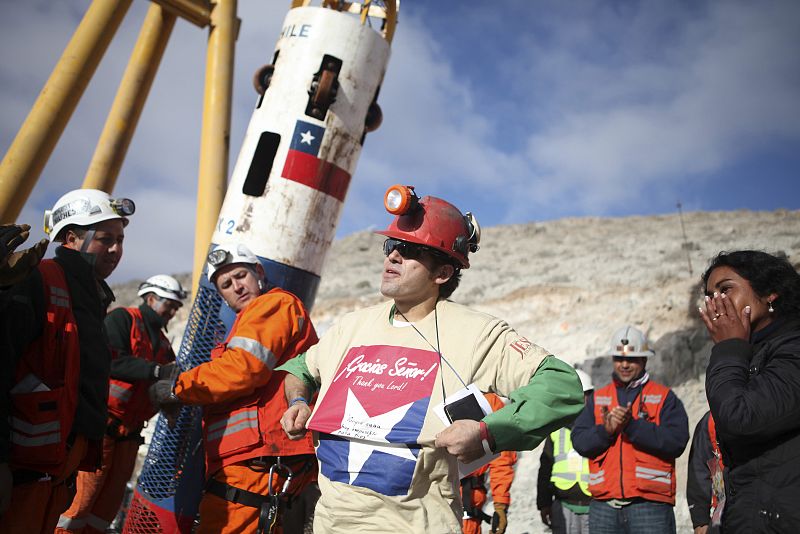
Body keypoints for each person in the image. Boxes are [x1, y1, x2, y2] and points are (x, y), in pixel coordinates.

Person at [278, 185, 584, 533]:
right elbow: (301, 367)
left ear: (442, 274)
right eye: (391, 246)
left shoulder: (476, 333)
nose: (392, 257)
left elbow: (561, 384)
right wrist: (299, 399)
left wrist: (489, 433)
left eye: (409, 251)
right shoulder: (351, 326)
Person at [150, 243, 319, 534]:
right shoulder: (250, 320)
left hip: (257, 464)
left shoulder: (273, 304)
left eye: (241, 275)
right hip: (254, 461)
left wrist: (178, 387)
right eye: (226, 284)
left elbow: (243, 369)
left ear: (259, 273)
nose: (237, 287)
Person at [0, 188, 134, 533]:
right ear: (71, 237)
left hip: (58, 467)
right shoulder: (37, 279)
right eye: (106, 239)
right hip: (21, 469)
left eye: (120, 239)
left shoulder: (92, 298)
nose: (116, 249)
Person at [55, 275, 187, 532]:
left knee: (105, 511)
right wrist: (157, 372)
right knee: (80, 503)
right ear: (150, 299)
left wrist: (169, 400)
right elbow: (111, 360)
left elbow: (163, 382)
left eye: (175, 307)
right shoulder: (123, 320)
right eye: (169, 304)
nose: (172, 311)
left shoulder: (161, 343)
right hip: (104, 429)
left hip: (129, 435)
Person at [699, 250, 800, 532]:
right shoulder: (745, 356)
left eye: (726, 289)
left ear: (770, 293)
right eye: (709, 295)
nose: (716, 302)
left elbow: (740, 416)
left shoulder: (793, 349)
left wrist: (728, 348)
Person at [571, 325, 689, 534]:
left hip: (650, 506)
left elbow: (676, 442)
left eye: (631, 359)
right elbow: (580, 441)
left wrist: (632, 426)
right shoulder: (598, 399)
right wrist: (605, 431)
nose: (624, 364)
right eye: (619, 358)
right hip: (603, 506)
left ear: (644, 360)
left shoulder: (664, 398)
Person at [537, 368, 594, 534]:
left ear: (590, 396)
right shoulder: (556, 429)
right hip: (562, 506)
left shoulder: (602, 428)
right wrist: (544, 503)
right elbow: (545, 468)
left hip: (595, 506)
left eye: (583, 395)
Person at [461, 393, 517, 534]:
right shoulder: (420, 393)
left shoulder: (487, 401)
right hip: (427, 502)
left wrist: (500, 504)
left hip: (468, 506)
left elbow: (502, 459)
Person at [686, 410, 723, 534]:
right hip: (724, 513)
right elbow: (699, 472)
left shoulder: (775, 407)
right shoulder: (709, 422)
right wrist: (700, 520)